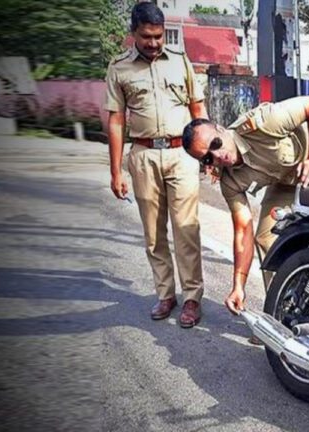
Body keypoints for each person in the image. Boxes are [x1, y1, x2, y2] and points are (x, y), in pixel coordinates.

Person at [181, 96, 309, 316]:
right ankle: (281, 313)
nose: (218, 156)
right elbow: (243, 231)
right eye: (208, 159)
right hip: (285, 182)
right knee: (267, 238)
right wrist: (238, 286)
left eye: (215, 145)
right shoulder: (229, 181)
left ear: (221, 129)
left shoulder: (263, 123)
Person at [104, 2, 207, 327]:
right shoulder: (119, 68)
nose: (153, 42)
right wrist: (116, 169)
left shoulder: (180, 62)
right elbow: (117, 120)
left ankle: (192, 297)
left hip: (182, 154)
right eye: (146, 36)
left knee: (187, 229)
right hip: (143, 155)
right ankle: (166, 294)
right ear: (134, 33)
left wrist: (209, 153)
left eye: (159, 36)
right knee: (153, 233)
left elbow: (198, 109)